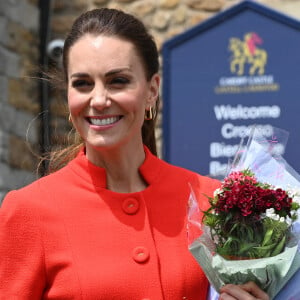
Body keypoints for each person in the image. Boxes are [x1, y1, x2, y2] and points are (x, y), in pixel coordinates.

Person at [0, 8, 269, 300]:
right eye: (82, 84)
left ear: (152, 90)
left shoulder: (209, 200)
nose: (99, 100)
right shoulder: (28, 211)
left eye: (118, 81)